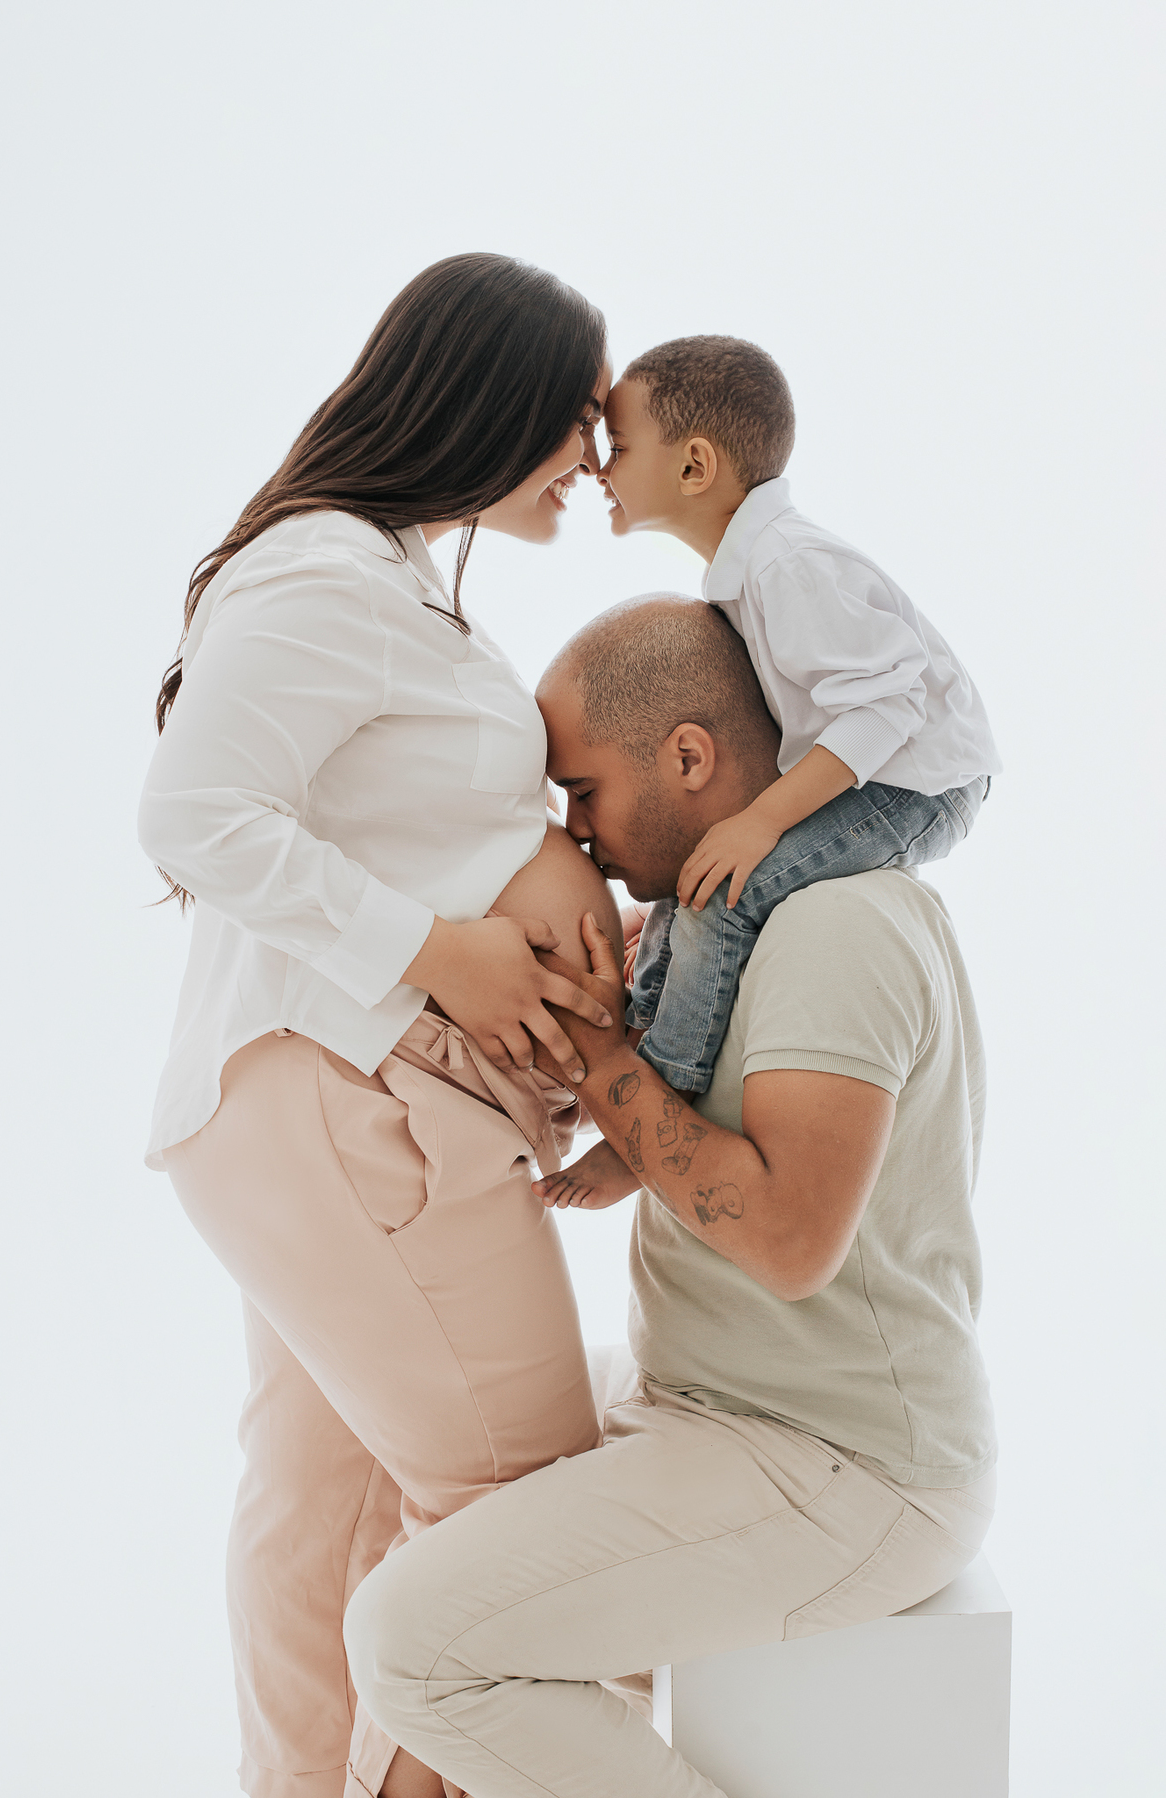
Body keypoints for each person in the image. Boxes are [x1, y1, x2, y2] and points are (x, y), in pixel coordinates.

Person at [342, 595, 998, 1798]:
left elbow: (787, 1239)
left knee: (407, 1646)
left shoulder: (837, 926)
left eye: (583, 790)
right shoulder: (716, 929)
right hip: (714, 1406)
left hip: (847, 1468)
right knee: (436, 1448)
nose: (573, 830)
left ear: (689, 757)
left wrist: (601, 1054)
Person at [138, 252, 625, 1798]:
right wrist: (445, 955)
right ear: (489, 399)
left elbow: (394, 829)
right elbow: (195, 813)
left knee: (327, 1507)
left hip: (318, 1114)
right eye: (577, 416)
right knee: (520, 1534)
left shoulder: (382, 578)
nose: (599, 453)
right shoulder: (329, 573)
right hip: (354, 1108)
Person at [560, 336, 1001, 1204]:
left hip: (920, 780)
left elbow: (889, 707)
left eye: (618, 447)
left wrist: (760, 822)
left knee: (726, 890)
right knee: (690, 876)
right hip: (877, 770)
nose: (599, 469)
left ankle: (657, 1103)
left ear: (694, 465)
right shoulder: (750, 569)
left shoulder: (787, 563)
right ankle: (646, 1028)